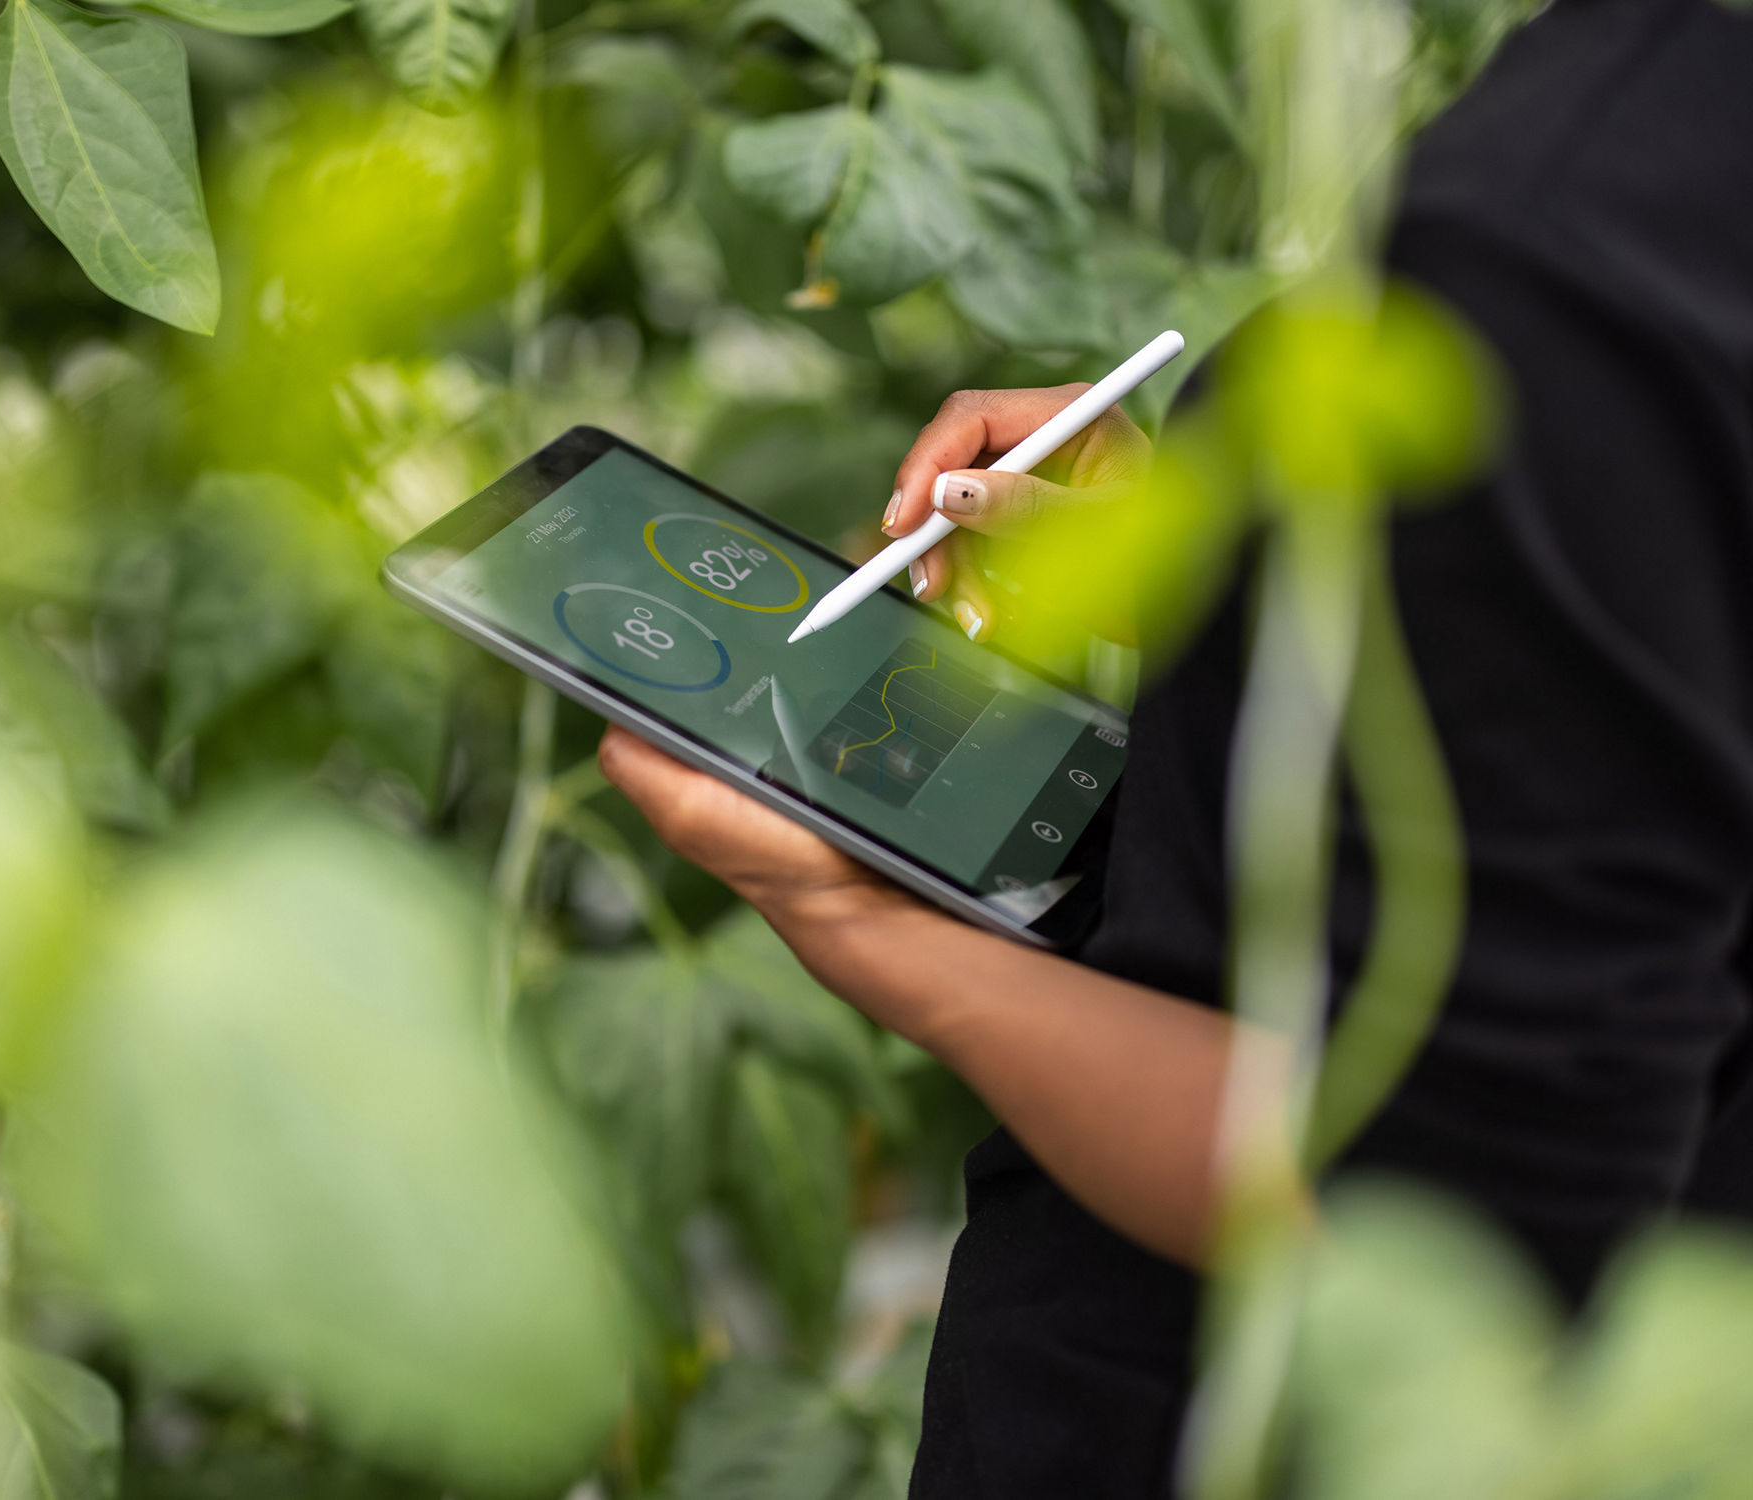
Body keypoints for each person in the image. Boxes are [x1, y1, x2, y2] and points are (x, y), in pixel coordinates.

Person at [600, 0, 1753, 1492]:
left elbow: (1457, 1210)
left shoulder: (1556, 239)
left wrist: (863, 919)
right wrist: (1239, 569)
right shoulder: (1676, 147)